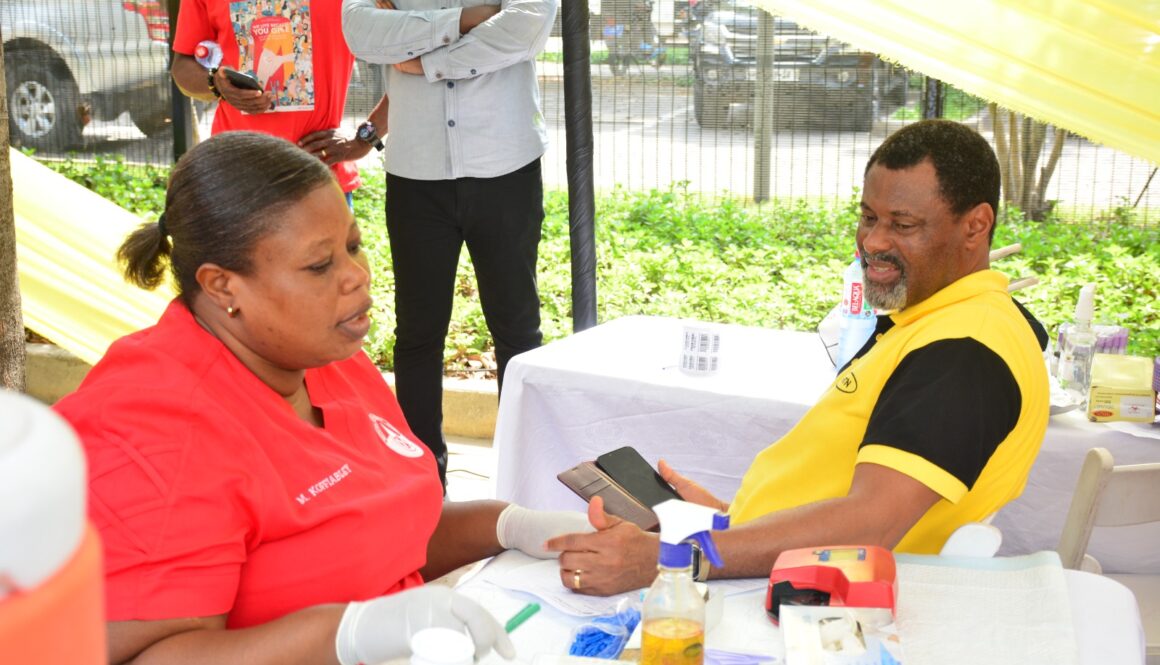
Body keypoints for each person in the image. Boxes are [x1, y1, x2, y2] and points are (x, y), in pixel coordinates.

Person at [52, 131, 588, 664]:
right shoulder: (155, 433)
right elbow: (139, 657)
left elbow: (386, 530)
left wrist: (511, 526)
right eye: (319, 266)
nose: (357, 276)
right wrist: (344, 634)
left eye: (353, 246)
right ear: (221, 287)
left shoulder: (322, 355)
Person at [546, 119, 1051, 595]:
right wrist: (731, 519)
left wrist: (676, 555)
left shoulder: (966, 351)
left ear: (975, 226)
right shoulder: (939, 321)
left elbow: (870, 523)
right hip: (778, 571)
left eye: (903, 224)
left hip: (822, 604)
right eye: (869, 217)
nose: (873, 243)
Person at [340, 0, 558, 487]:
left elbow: (524, 30)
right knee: (418, 332)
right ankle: (422, 480)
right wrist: (466, 19)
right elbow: (361, 32)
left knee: (518, 331)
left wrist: (427, 62)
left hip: (506, 166)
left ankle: (525, 478)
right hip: (416, 172)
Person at [170, 0, 389, 206]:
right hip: (233, 179)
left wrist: (364, 139)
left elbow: (414, 58)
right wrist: (215, 83)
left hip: (319, 179)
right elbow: (183, 65)